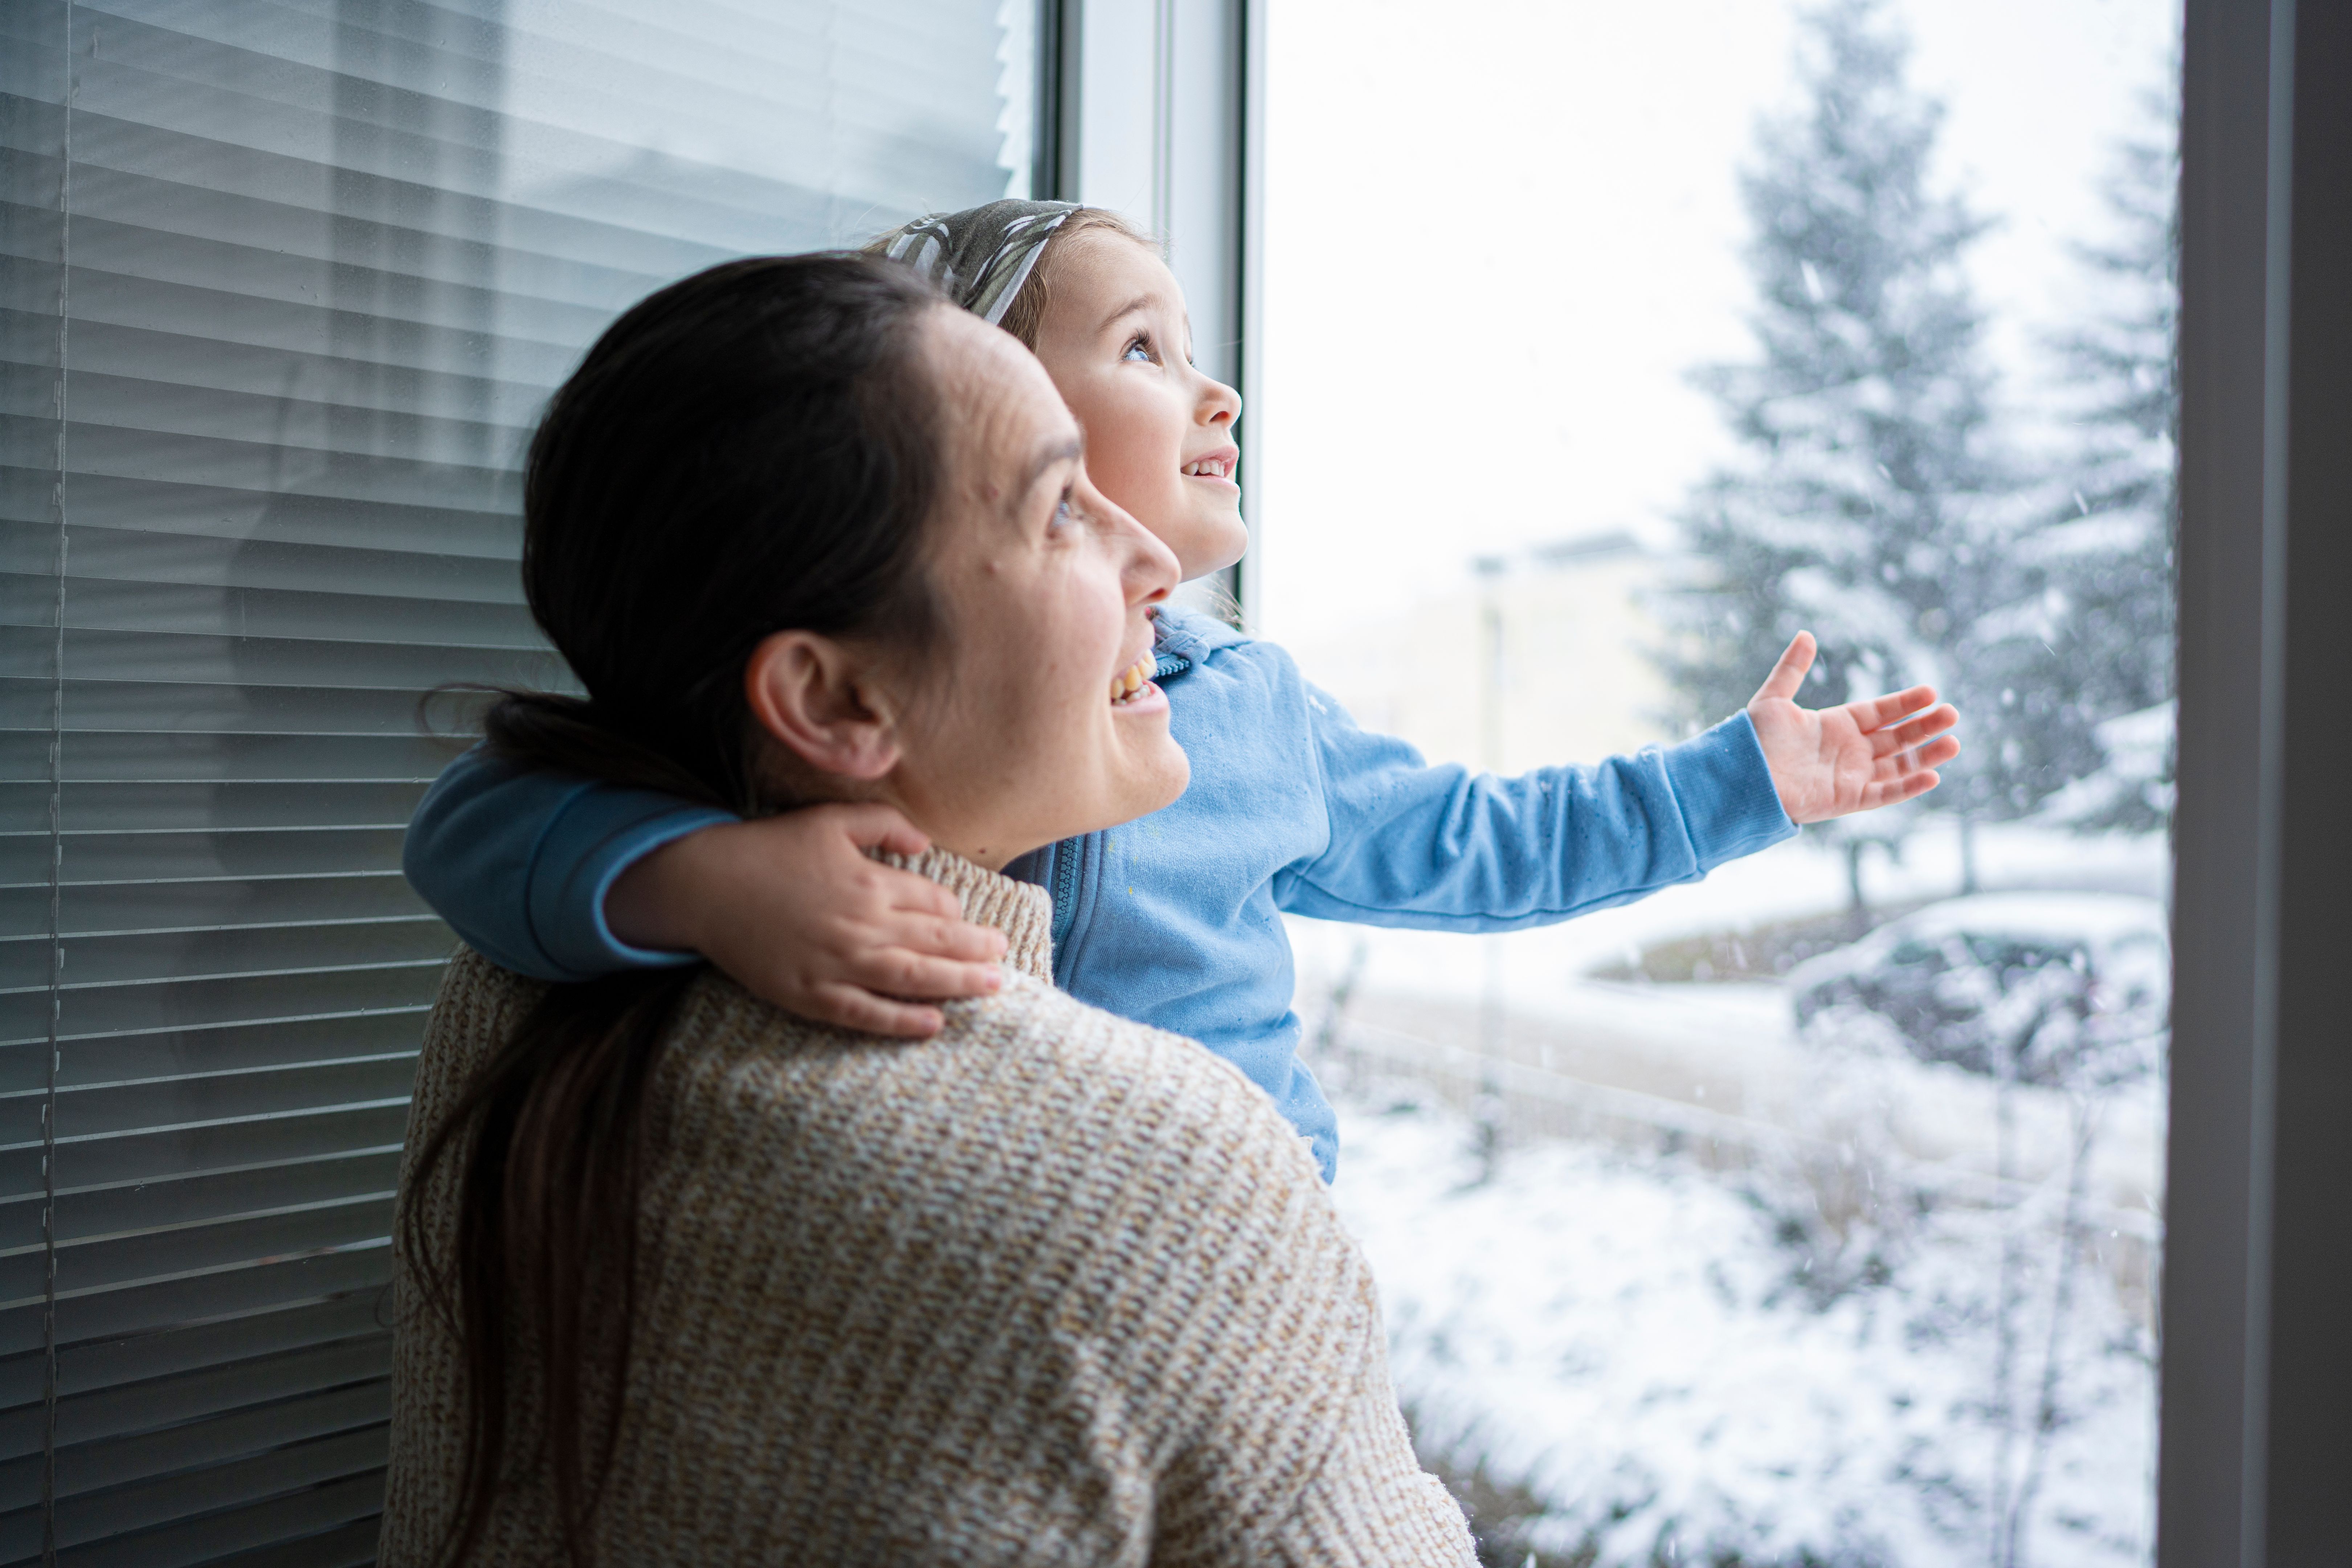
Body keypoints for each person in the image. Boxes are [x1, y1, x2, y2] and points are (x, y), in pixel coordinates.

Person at [403, 201, 1961, 1183]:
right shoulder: (837, 744)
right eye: (1145, 350)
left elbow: (1484, 844)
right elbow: (486, 821)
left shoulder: (1248, 709)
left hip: (1251, 1232)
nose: (1219, 392)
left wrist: (1738, 783)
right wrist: (705, 881)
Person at [379, 253, 1477, 1564]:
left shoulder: (509, 1005)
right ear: (836, 701)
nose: (1149, 560)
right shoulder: (1163, 1184)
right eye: (1063, 509)